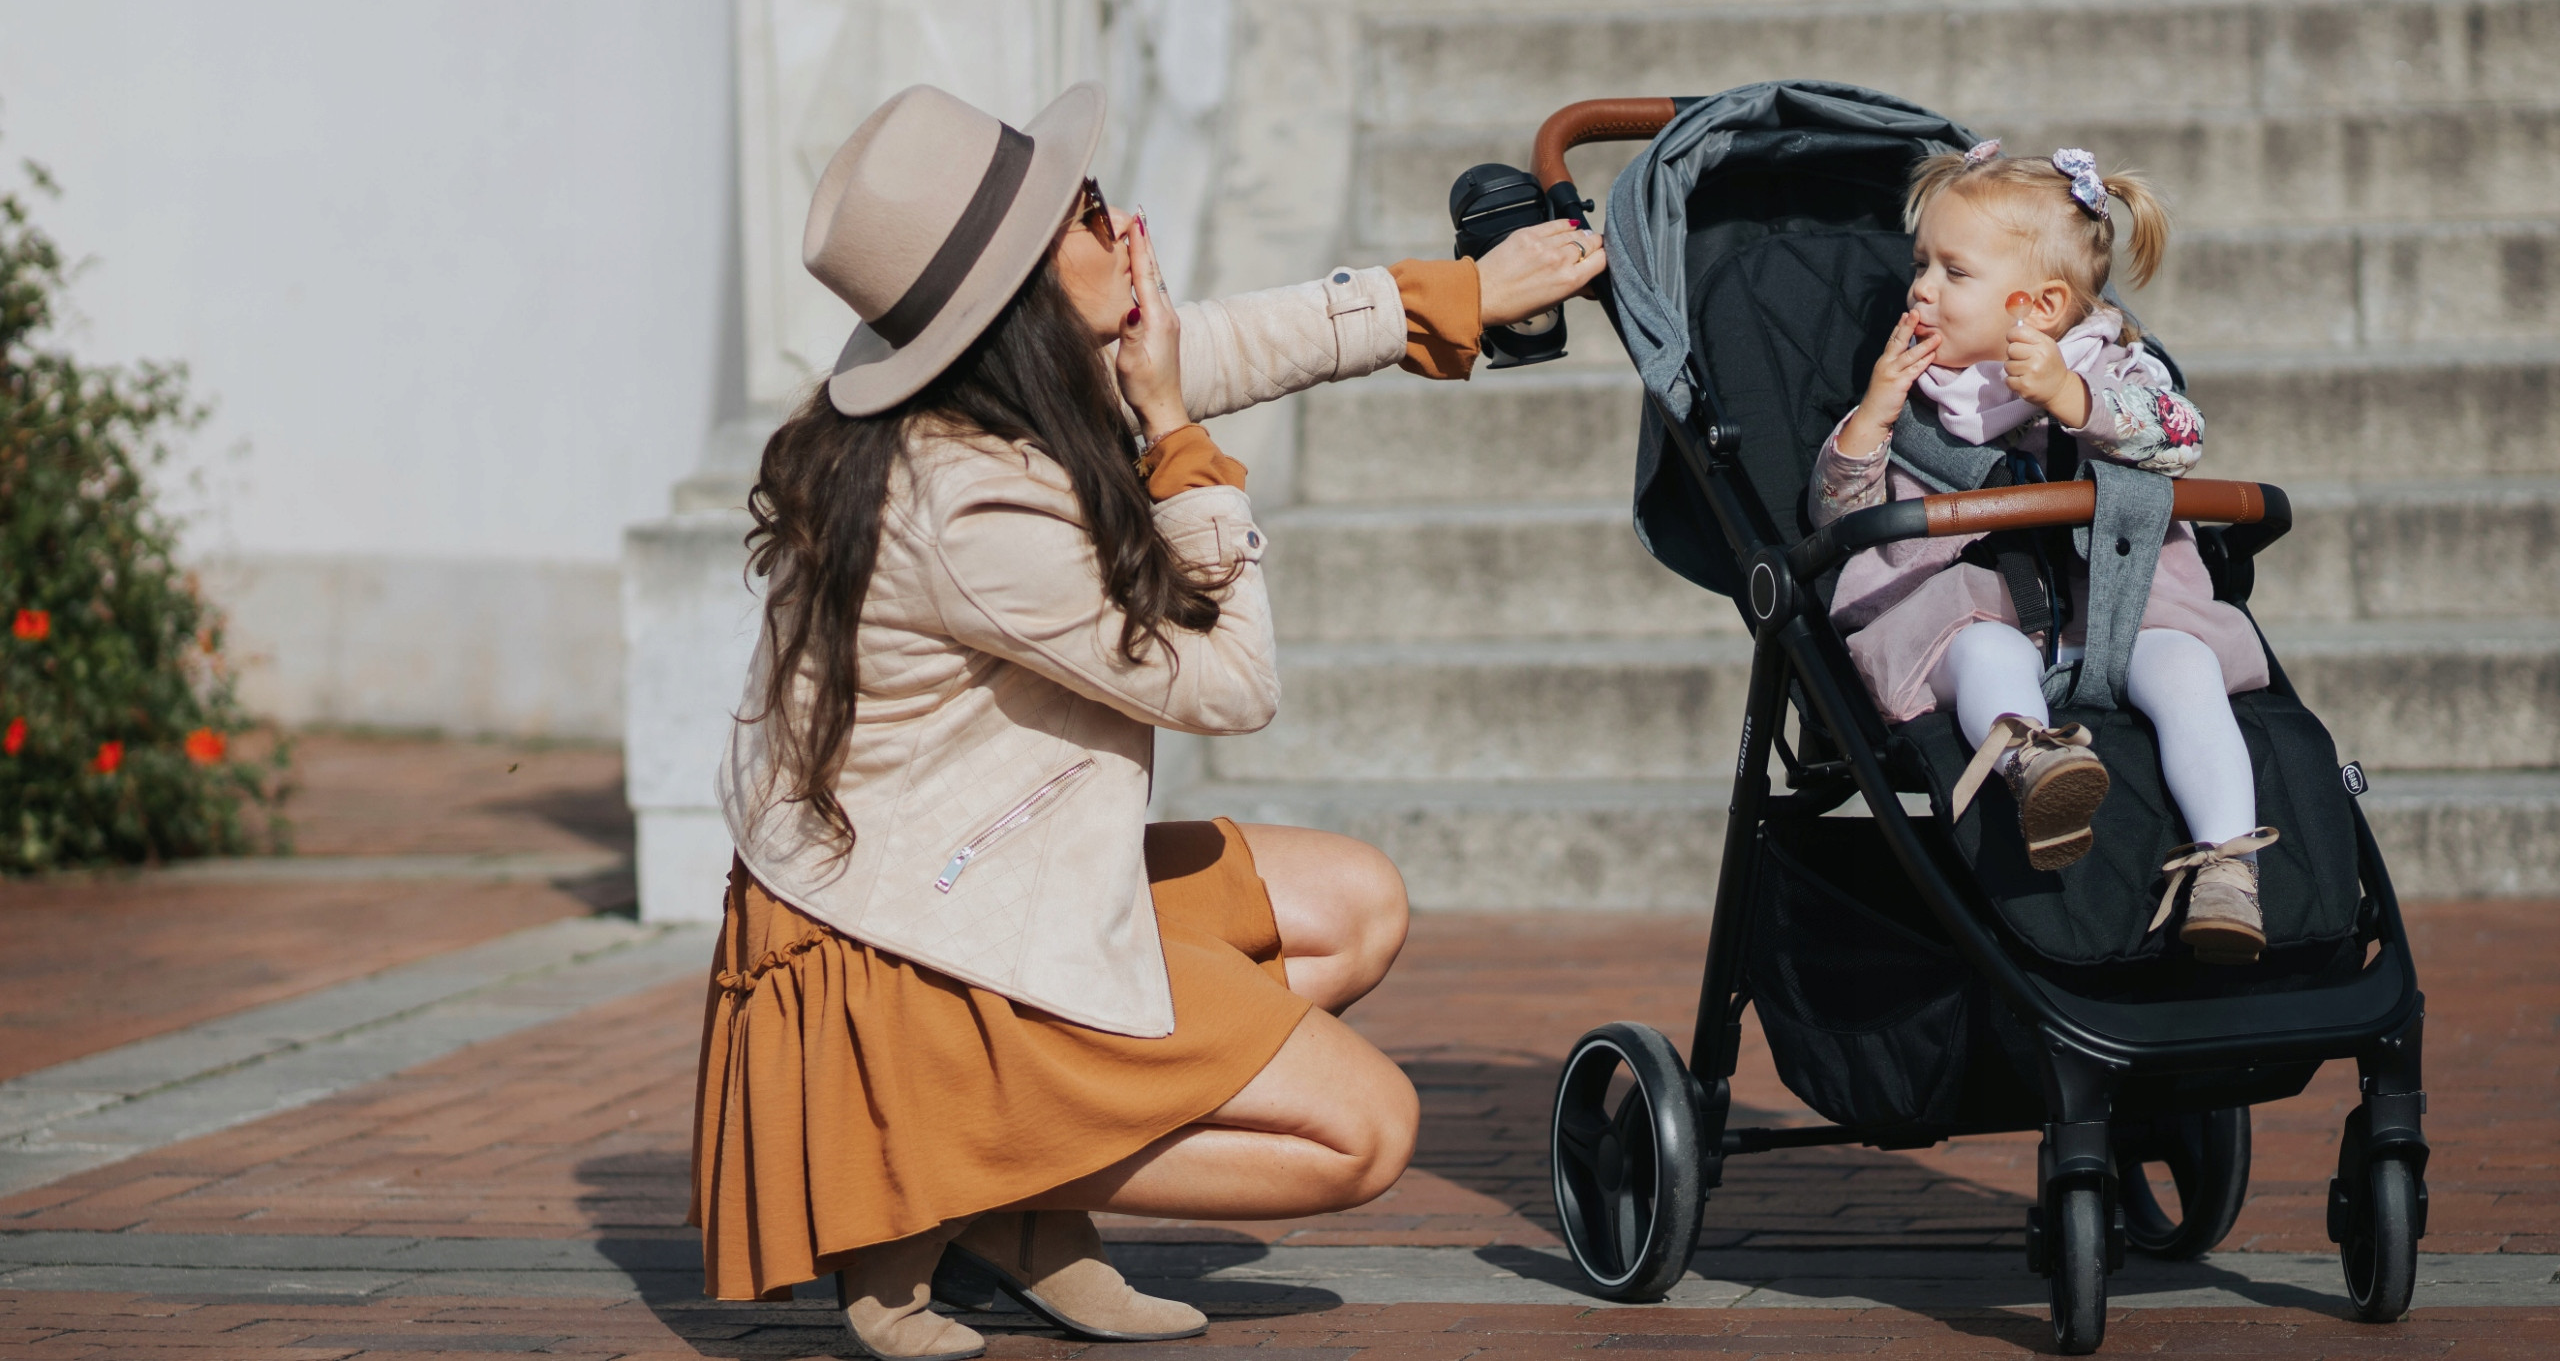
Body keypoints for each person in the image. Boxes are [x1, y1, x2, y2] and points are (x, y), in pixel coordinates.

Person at [689, 81, 1606, 1358]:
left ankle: (1019, 1215)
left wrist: (1444, 299)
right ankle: (942, 1173)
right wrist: (1178, 440)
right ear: (1009, 297)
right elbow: (1231, 685)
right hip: (914, 959)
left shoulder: (998, 393)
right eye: (1085, 217)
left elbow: (1209, 341)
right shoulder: (967, 509)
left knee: (1352, 905)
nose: (1123, 231)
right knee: (1363, 1135)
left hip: (983, 878)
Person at [1809, 140, 2278, 963]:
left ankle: (2227, 869)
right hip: (1976, 609)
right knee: (1984, 649)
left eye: (1954, 272)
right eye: (1922, 264)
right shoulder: (1916, 396)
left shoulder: (2119, 369)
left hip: (2122, 611)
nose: (1919, 287)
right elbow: (1836, 514)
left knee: (2187, 672)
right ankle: (2033, 761)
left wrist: (2072, 398)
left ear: (2042, 307)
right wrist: (1874, 415)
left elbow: (2181, 440)